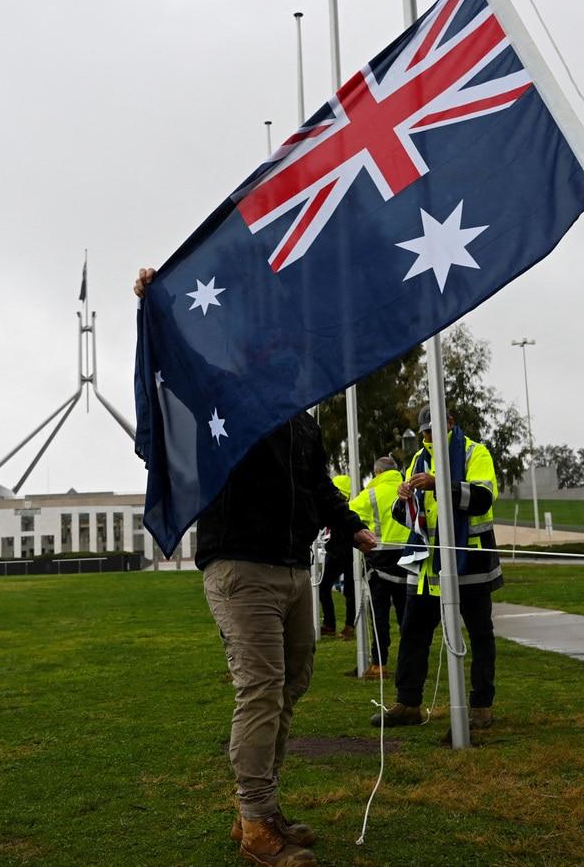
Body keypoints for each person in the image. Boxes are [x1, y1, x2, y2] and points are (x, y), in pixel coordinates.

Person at [134, 268, 377, 867]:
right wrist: (157, 304)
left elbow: (316, 484)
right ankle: (255, 820)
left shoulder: (301, 419)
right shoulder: (229, 400)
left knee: (289, 687)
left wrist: (353, 528)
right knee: (262, 689)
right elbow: (184, 368)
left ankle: (260, 812)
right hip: (241, 567)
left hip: (295, 569)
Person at [372, 404, 501, 734]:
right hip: (426, 566)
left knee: (480, 635)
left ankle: (481, 707)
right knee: (413, 632)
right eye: (426, 431)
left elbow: (484, 498)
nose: (430, 436)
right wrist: (403, 499)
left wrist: (438, 484)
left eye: (435, 428)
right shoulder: (417, 460)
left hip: (469, 562)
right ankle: (408, 703)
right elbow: (407, 516)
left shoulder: (475, 453)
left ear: (451, 422)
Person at [347, 456, 411, 678]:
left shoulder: (371, 494)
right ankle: (409, 663)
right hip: (409, 559)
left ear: (377, 473)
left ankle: (379, 664)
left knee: (379, 616)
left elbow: (346, 517)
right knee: (407, 615)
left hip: (379, 560)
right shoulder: (407, 488)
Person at [318, 475, 357, 639]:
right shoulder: (336, 508)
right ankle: (330, 624)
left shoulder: (348, 510)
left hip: (347, 553)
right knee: (324, 588)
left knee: (350, 591)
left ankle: (348, 626)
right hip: (335, 552)